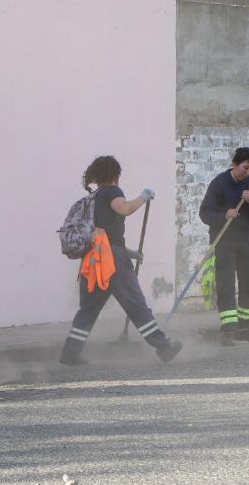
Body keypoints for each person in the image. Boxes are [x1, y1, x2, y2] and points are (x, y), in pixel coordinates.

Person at [60, 155, 183, 366]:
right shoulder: (112, 192)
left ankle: (70, 353)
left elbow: (103, 234)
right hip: (112, 260)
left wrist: (130, 252)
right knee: (136, 304)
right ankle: (163, 346)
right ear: (116, 176)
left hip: (93, 258)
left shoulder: (94, 198)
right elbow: (124, 209)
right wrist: (142, 198)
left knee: (88, 309)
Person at [199, 146, 249, 344]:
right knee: (226, 286)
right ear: (234, 164)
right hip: (224, 242)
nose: (248, 172)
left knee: (248, 285)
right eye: (245, 167)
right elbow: (204, 213)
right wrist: (224, 216)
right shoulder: (219, 184)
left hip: (247, 240)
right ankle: (228, 331)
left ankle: (245, 328)